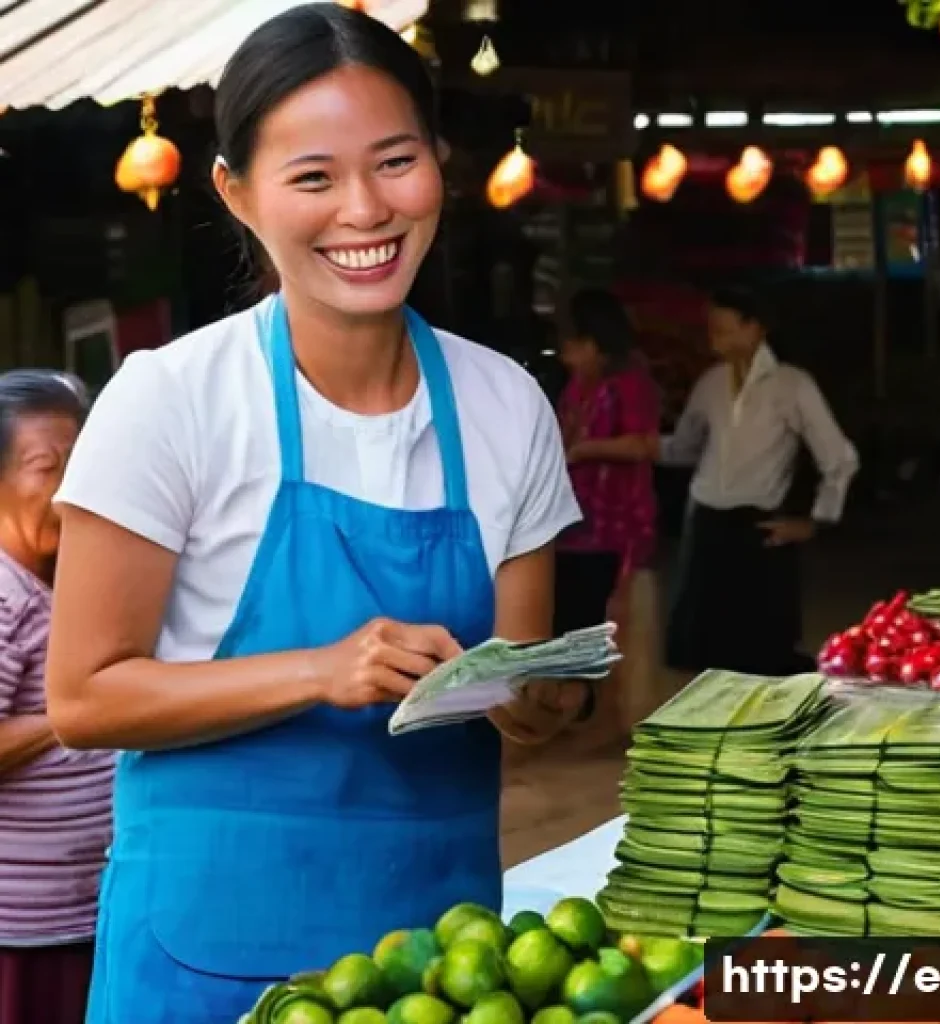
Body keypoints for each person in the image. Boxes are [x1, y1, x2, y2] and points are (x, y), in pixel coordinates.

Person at [43, 7, 586, 1022]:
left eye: (395, 162)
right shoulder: (172, 399)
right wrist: (321, 671)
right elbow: (82, 697)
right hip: (206, 955)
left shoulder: (507, 405)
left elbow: (522, 684)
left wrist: (539, 700)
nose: (365, 210)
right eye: (312, 178)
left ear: (439, 164)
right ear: (236, 193)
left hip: (442, 957)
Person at [656, 286, 859, 677]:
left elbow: (839, 459)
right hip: (705, 527)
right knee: (695, 657)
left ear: (755, 328)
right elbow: (684, 447)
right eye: (711, 327)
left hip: (756, 529)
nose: (714, 335)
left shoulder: (792, 385)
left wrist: (816, 520)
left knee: (759, 661)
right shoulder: (711, 383)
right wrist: (642, 446)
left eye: (724, 327)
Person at [0, 371, 113, 1024]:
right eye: (47, 467)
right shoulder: (4, 594)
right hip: (21, 929)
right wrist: (82, 709)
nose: (72, 487)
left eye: (83, 462)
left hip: (78, 912)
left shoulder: (66, 579)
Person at [555, 288, 659, 636]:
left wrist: (584, 451)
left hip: (613, 528)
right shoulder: (577, 385)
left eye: (571, 343)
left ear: (593, 343)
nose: (565, 353)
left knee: (600, 624)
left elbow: (643, 445)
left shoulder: (630, 384)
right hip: (572, 524)